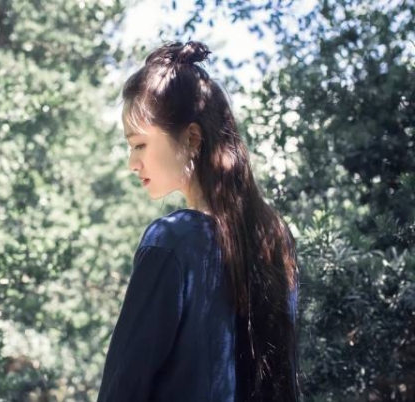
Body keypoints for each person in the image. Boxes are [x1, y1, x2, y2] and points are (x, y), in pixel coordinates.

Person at [96, 41, 300, 402]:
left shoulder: (171, 240)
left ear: (192, 138)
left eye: (139, 144)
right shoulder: (275, 235)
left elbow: (123, 388)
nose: (132, 163)